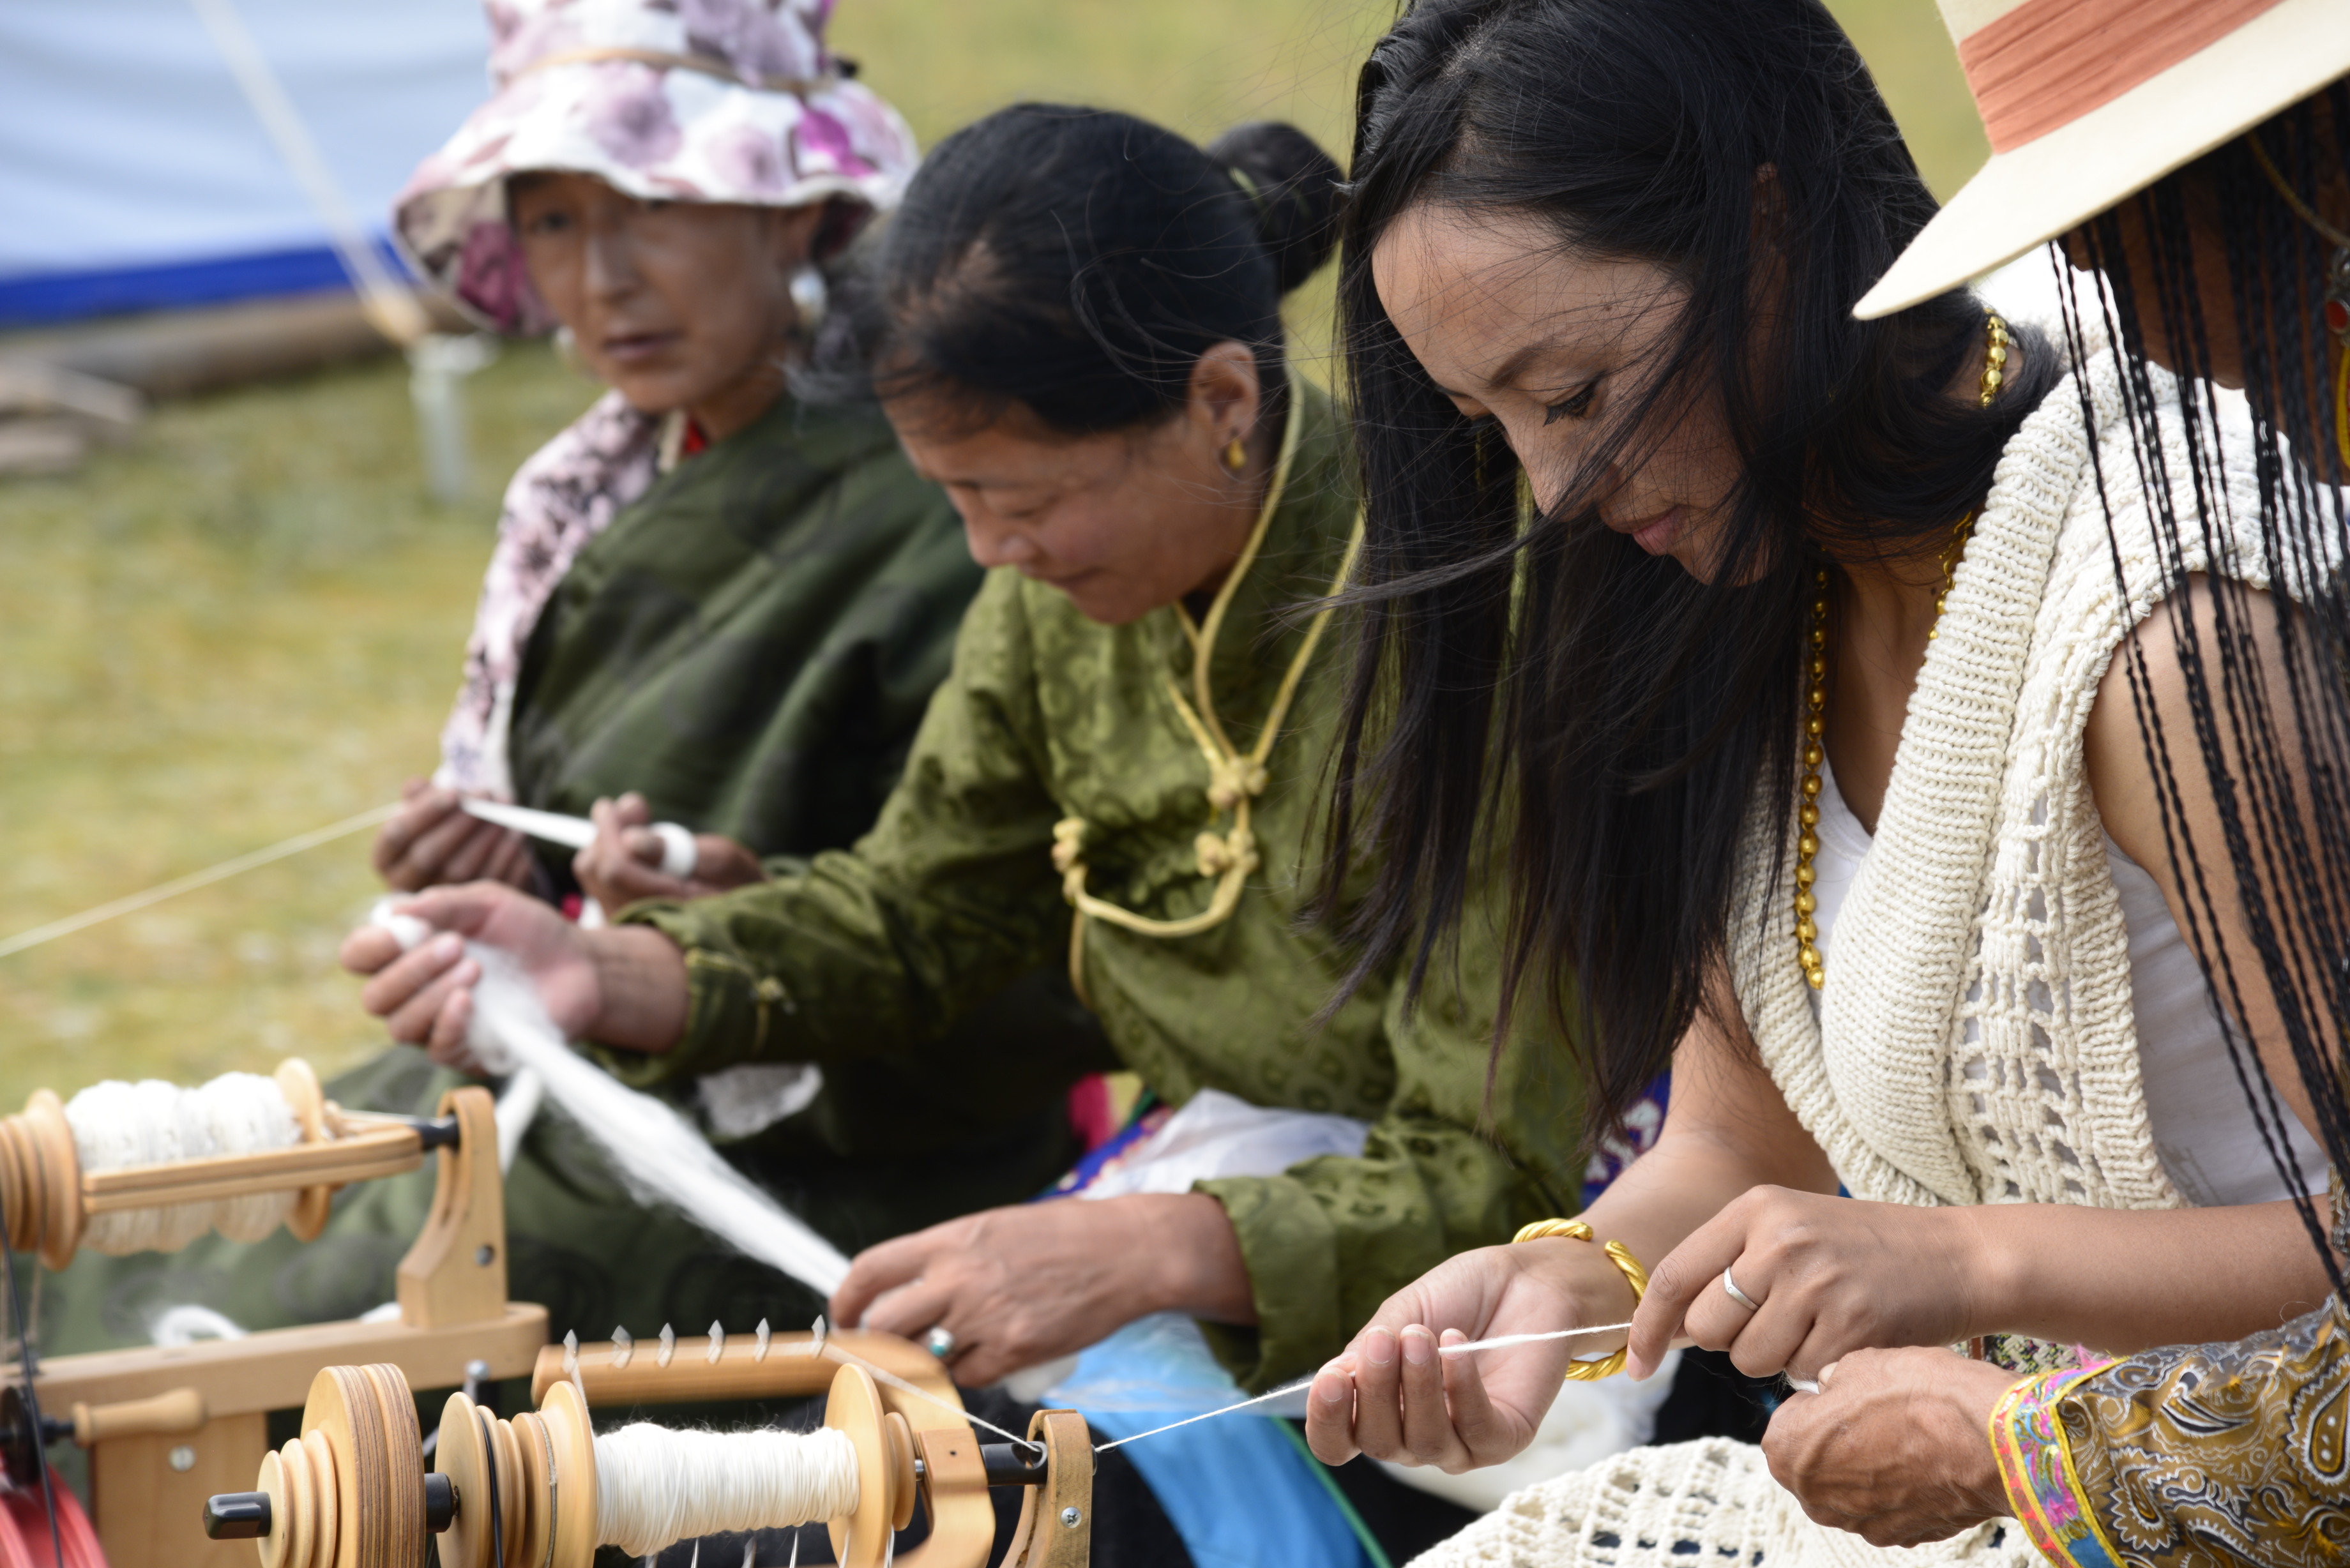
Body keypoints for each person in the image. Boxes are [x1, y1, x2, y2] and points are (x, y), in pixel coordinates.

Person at [347, 98, 1594, 1567]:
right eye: (953, 501)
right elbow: (921, 907)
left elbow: (1500, 1177)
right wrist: (610, 972)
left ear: (1220, 405)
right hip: (1208, 1218)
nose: (990, 554)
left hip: (1509, 1335)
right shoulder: (1046, 609)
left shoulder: (1469, 627)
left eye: (1022, 498)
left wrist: (1154, 1246)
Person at [1296, 1, 2339, 1564]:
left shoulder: (2160, 630)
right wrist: (1572, 1275)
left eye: (1575, 394)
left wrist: (1969, 1276)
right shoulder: (1740, 610)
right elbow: (1736, 1137)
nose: (1557, 491)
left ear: (1765, 225)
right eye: (1488, 426)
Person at [40, 0, 1104, 1357]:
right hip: (560, 1075)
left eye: (652, 205)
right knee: (101, 1228)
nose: (603, 277)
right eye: (551, 221)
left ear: (788, 208)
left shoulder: (945, 498)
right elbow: (543, 858)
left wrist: (725, 924)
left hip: (833, 1156)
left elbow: (1007, 934)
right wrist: (513, 871)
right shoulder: (584, 487)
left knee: (292, 1376)